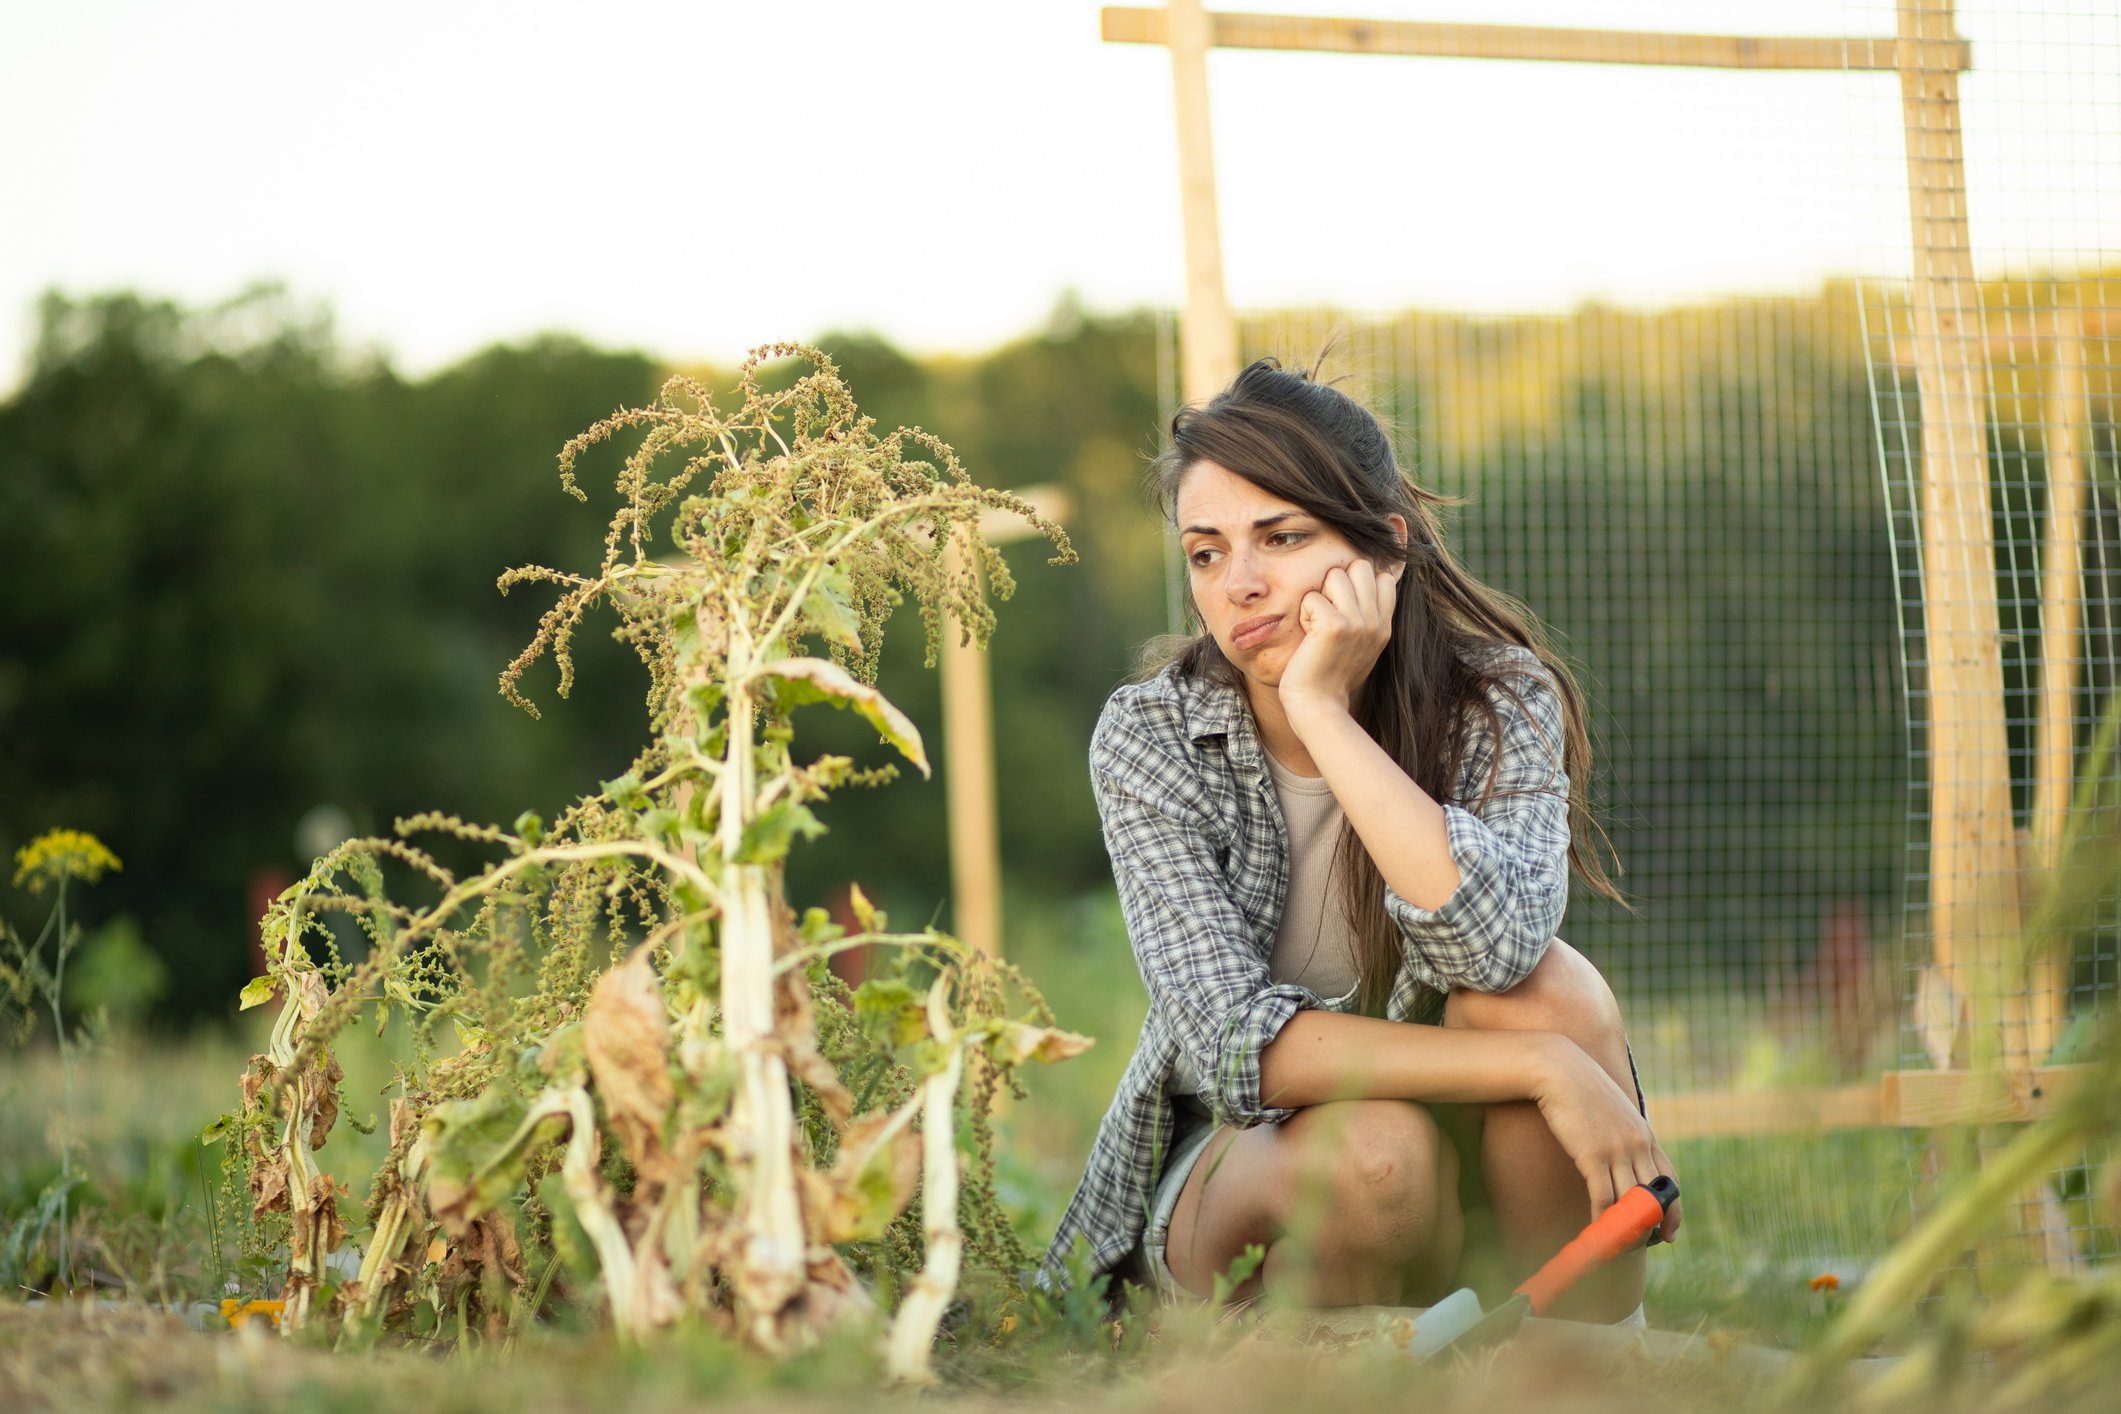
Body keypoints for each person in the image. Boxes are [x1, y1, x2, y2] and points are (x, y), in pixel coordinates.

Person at [1042, 357, 1679, 1322]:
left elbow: (1496, 951)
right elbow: (1230, 1051)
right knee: (1379, 1150)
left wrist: (1327, 721)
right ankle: (1295, 1368)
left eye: (1281, 538)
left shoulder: (1495, 700)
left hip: (1475, 1191)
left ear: (1384, 549)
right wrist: (1547, 1068)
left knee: (1546, 991)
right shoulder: (1152, 736)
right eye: (1205, 552)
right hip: (1252, 1178)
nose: (1239, 586)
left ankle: (1575, 1363)